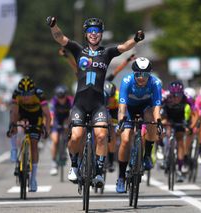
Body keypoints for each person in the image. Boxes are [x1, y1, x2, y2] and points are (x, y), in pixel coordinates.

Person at [46, 16, 144, 187]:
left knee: (101, 136)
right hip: (80, 104)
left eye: (97, 32)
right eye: (90, 32)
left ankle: (99, 172)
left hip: (99, 104)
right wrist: (53, 26)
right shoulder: (78, 49)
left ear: (101, 34)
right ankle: (75, 166)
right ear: (85, 34)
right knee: (76, 136)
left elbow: (124, 47)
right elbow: (60, 38)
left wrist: (136, 39)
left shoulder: (107, 52)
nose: (93, 34)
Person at [116, 57, 162, 193]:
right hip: (129, 109)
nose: (142, 78)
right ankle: (121, 177)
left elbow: (156, 106)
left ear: (150, 74)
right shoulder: (126, 81)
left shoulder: (156, 83)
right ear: (133, 74)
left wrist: (158, 121)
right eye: (138, 75)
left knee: (152, 120)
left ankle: (147, 154)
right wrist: (121, 119)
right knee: (125, 140)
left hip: (146, 108)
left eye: (145, 75)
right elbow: (122, 106)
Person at [7, 76, 51, 192]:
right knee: (13, 120)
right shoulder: (16, 94)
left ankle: (33, 179)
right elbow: (14, 111)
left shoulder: (39, 94)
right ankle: (13, 149)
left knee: (34, 144)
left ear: (33, 91)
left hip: (36, 117)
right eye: (23, 94)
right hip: (22, 113)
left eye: (29, 94)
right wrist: (13, 125)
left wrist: (46, 129)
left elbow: (47, 114)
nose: (26, 97)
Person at [162, 81, 199, 182]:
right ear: (170, 94)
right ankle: (164, 151)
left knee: (180, 140)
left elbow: (196, 114)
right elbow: (156, 109)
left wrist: (191, 126)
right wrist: (159, 121)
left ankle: (179, 167)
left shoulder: (188, 98)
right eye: (174, 95)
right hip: (167, 114)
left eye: (179, 95)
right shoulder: (165, 97)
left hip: (180, 116)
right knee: (164, 128)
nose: (176, 97)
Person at [49, 85, 74, 175]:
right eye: (59, 97)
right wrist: (51, 122)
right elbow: (51, 113)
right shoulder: (54, 101)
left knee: (70, 136)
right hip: (56, 120)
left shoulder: (70, 100)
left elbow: (73, 112)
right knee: (55, 140)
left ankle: (66, 150)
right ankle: (53, 162)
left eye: (63, 97)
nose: (61, 99)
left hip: (67, 118)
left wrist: (69, 122)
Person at [104, 81, 118, 172]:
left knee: (112, 132)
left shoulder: (118, 97)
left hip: (114, 112)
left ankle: (111, 160)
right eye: (108, 97)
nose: (110, 99)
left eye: (111, 97)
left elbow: (122, 111)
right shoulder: (101, 95)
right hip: (103, 108)